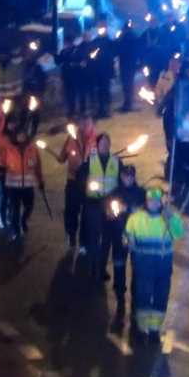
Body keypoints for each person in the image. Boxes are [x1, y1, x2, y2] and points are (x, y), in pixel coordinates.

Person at [125, 187, 184, 341]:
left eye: (157, 200)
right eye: (151, 200)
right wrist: (127, 242)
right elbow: (127, 237)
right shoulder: (135, 218)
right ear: (146, 201)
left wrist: (171, 219)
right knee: (142, 298)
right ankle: (141, 329)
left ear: (161, 202)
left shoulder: (169, 217)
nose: (154, 203)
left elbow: (179, 234)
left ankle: (154, 330)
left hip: (163, 268)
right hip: (143, 267)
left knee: (160, 298)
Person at [102, 165, 146, 321]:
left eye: (131, 176)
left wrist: (126, 209)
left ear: (134, 177)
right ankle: (120, 295)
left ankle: (136, 296)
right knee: (119, 267)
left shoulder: (141, 193)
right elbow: (108, 213)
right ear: (121, 176)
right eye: (126, 175)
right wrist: (111, 213)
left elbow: (143, 212)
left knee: (137, 269)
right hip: (118, 237)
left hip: (136, 238)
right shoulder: (114, 193)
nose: (128, 178)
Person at [78, 133, 121, 283]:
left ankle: (101, 268)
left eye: (107, 143)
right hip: (94, 205)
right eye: (102, 143)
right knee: (94, 238)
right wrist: (86, 195)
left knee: (106, 240)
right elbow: (80, 179)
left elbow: (121, 181)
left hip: (109, 205)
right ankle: (93, 266)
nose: (105, 145)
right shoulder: (90, 160)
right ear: (97, 145)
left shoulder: (116, 161)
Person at [57, 115, 97, 250]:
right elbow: (62, 157)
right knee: (71, 210)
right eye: (83, 124)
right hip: (73, 181)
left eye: (88, 124)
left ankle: (83, 242)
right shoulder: (71, 138)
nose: (85, 127)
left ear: (92, 125)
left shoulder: (97, 141)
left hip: (88, 183)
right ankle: (71, 235)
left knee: (86, 213)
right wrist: (61, 157)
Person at [0, 125, 45, 242]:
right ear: (15, 136)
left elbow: (38, 166)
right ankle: (15, 230)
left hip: (28, 186)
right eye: (19, 134)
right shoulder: (9, 149)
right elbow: (1, 163)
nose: (21, 136)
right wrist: (0, 169)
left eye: (23, 134)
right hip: (13, 187)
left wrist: (40, 181)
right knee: (14, 210)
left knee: (29, 207)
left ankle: (23, 220)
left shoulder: (32, 149)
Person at [117, 20, 141, 113]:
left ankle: (127, 104)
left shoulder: (125, 37)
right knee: (129, 84)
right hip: (130, 63)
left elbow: (120, 49)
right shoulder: (134, 36)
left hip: (126, 63)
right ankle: (128, 103)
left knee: (127, 84)